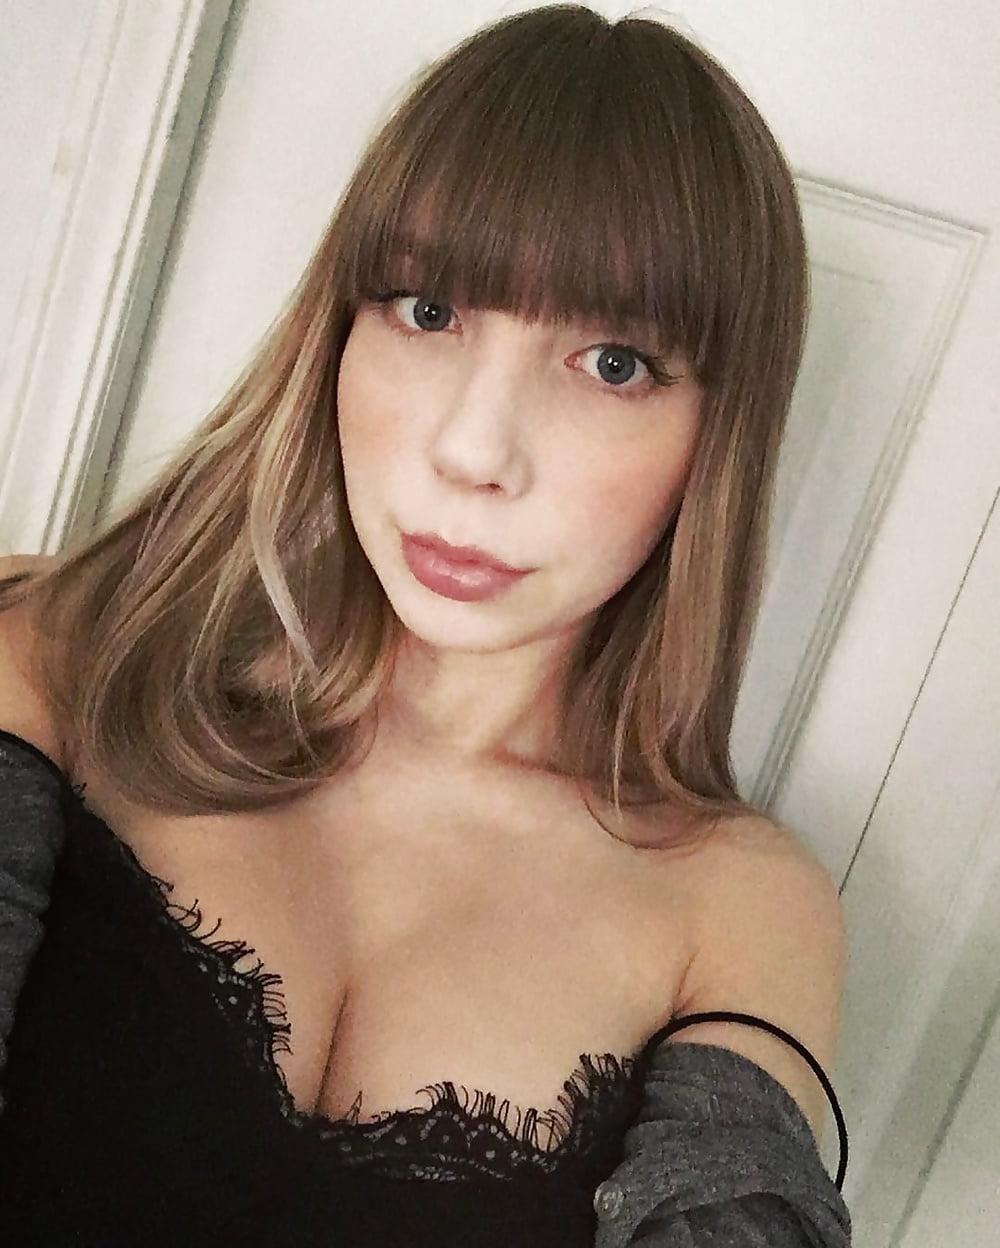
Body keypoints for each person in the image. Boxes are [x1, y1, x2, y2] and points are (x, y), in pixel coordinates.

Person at [0, 4, 852, 1244]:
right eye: (427, 311)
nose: (471, 450)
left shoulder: (736, 906)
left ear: (717, 437)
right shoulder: (57, 653)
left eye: (614, 363)